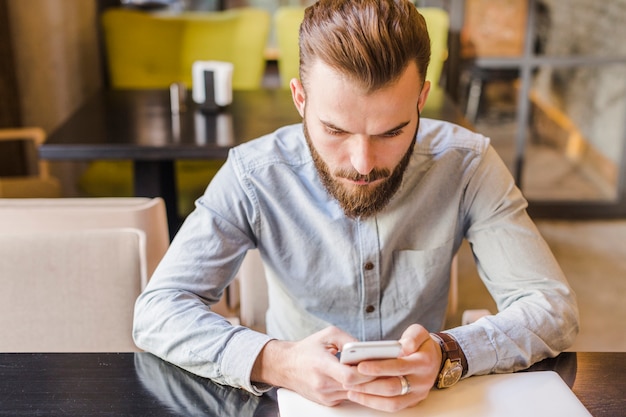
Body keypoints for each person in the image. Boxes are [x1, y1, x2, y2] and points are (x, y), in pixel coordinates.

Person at [133, 0, 579, 412]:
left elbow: (552, 308)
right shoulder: (253, 174)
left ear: (421, 100)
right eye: (336, 130)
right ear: (300, 100)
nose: (363, 164)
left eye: (391, 132)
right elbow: (157, 312)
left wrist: (449, 352)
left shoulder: (468, 164)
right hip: (293, 404)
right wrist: (278, 361)